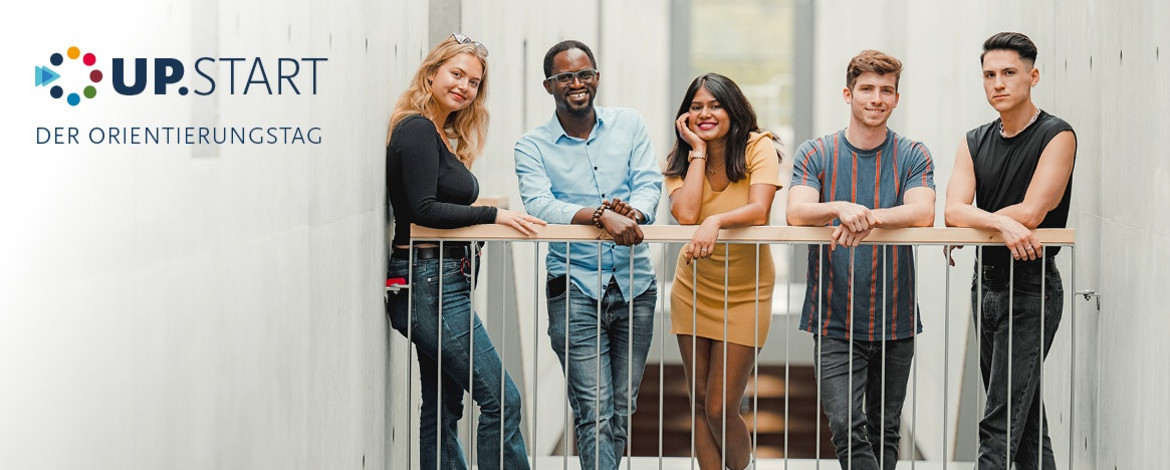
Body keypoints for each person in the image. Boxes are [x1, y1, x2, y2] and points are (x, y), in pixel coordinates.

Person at [384, 33, 544, 470]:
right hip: (430, 285)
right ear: (431, 72)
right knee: (503, 399)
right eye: (457, 74)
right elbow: (423, 209)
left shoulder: (438, 132)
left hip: (435, 281)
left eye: (473, 82)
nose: (464, 86)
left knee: (441, 407)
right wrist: (492, 215)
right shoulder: (416, 127)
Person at [514, 39, 661, 470]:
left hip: (636, 286)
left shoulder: (629, 124)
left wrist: (635, 212)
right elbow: (539, 204)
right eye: (565, 77)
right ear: (549, 86)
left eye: (584, 74)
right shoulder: (532, 145)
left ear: (596, 78)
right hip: (574, 287)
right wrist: (599, 216)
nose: (576, 84)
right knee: (593, 410)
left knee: (620, 408)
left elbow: (649, 183)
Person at [786, 50, 936, 470]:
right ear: (848, 94)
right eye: (867, 89)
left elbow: (922, 212)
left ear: (896, 99)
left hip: (896, 318)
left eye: (886, 90)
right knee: (845, 426)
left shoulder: (912, 154)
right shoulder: (815, 153)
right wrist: (840, 207)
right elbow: (797, 210)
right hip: (834, 319)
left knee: (885, 430)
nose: (876, 98)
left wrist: (865, 216)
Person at [944, 32, 1076, 470]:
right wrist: (999, 221)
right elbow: (951, 210)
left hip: (1032, 291)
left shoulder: (1057, 135)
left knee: (999, 424)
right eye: (989, 75)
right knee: (1026, 426)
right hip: (984, 287)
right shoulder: (973, 139)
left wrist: (981, 218)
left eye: (1008, 73)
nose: (997, 83)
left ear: (1033, 76)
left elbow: (1035, 210)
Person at [665, 73, 782, 470]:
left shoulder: (757, 146)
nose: (705, 113)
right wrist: (697, 150)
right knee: (698, 402)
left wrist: (716, 223)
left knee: (719, 406)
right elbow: (686, 215)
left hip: (747, 291)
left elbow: (758, 209)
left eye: (715, 105)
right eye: (696, 107)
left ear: (733, 108)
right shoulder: (680, 159)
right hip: (693, 287)